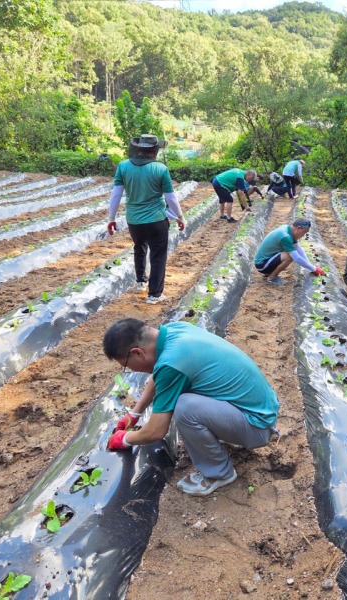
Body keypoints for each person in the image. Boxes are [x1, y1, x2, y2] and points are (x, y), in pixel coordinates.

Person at [104, 318, 280, 496]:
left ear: (138, 353)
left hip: (257, 426)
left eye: (126, 366)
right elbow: (159, 376)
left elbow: (156, 431)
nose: (131, 371)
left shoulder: (171, 362)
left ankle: (218, 474)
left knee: (184, 407)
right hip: (261, 411)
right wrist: (135, 412)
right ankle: (220, 436)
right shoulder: (174, 330)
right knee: (183, 396)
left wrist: (125, 438)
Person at [108, 134, 184, 305]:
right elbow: (171, 198)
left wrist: (111, 218)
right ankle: (154, 294)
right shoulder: (160, 169)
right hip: (157, 220)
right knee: (158, 255)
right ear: (155, 150)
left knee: (139, 247)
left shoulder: (123, 166)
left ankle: (141, 281)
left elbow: (116, 195)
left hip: (133, 220)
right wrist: (180, 216)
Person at [254, 218, 325, 285]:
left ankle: (270, 272)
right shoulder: (285, 236)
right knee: (289, 256)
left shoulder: (287, 229)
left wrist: (311, 266)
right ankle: (272, 278)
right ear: (299, 228)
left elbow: (298, 249)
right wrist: (313, 268)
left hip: (266, 261)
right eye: (304, 233)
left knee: (290, 254)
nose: (303, 236)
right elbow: (296, 258)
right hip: (262, 264)